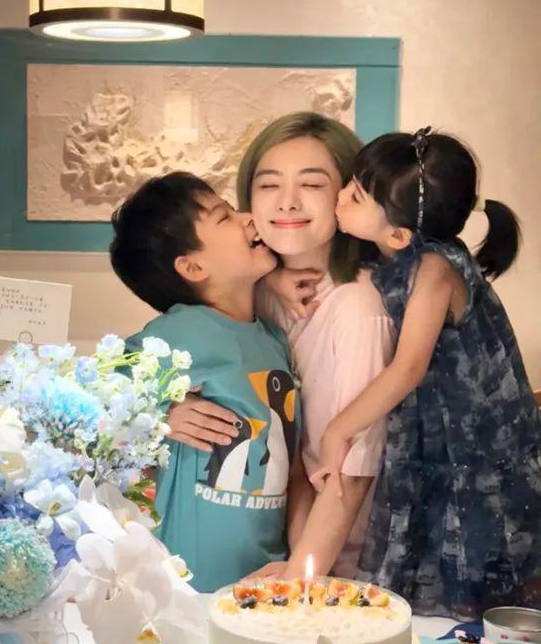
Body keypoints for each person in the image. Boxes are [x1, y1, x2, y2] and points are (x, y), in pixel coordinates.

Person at [312, 127, 541, 618]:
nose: (339, 196)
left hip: (472, 442)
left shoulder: (435, 267)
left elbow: (409, 368)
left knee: (470, 556)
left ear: (398, 234)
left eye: (355, 195)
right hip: (439, 429)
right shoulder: (404, 252)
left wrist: (338, 430)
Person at [170, 112, 397, 580]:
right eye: (269, 184)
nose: (287, 201)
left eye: (311, 184)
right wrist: (168, 410)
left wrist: (301, 578)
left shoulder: (358, 308)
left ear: (348, 195)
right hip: (261, 549)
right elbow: (158, 357)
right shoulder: (251, 290)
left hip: (335, 564)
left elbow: (353, 472)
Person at [109, 172, 303, 593]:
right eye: (225, 216)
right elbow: (100, 388)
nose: (249, 218)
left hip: (266, 572)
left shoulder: (272, 337)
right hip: (189, 582)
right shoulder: (183, 332)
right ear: (193, 267)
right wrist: (161, 415)